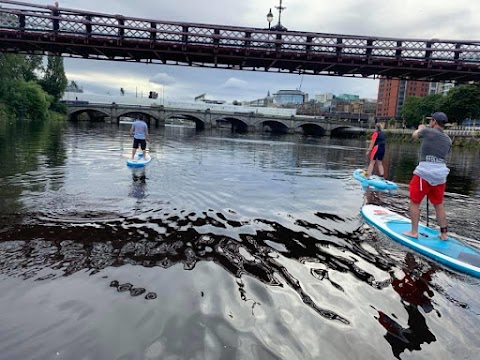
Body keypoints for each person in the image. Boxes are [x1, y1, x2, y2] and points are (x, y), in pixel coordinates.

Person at [403, 112, 452, 240]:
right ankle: (444, 234)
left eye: (431, 120)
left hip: (424, 173)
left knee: (414, 202)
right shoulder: (448, 139)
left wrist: (420, 129)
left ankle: (414, 232)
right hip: (441, 175)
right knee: (438, 204)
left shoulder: (426, 131)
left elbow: (414, 136)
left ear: (434, 122)